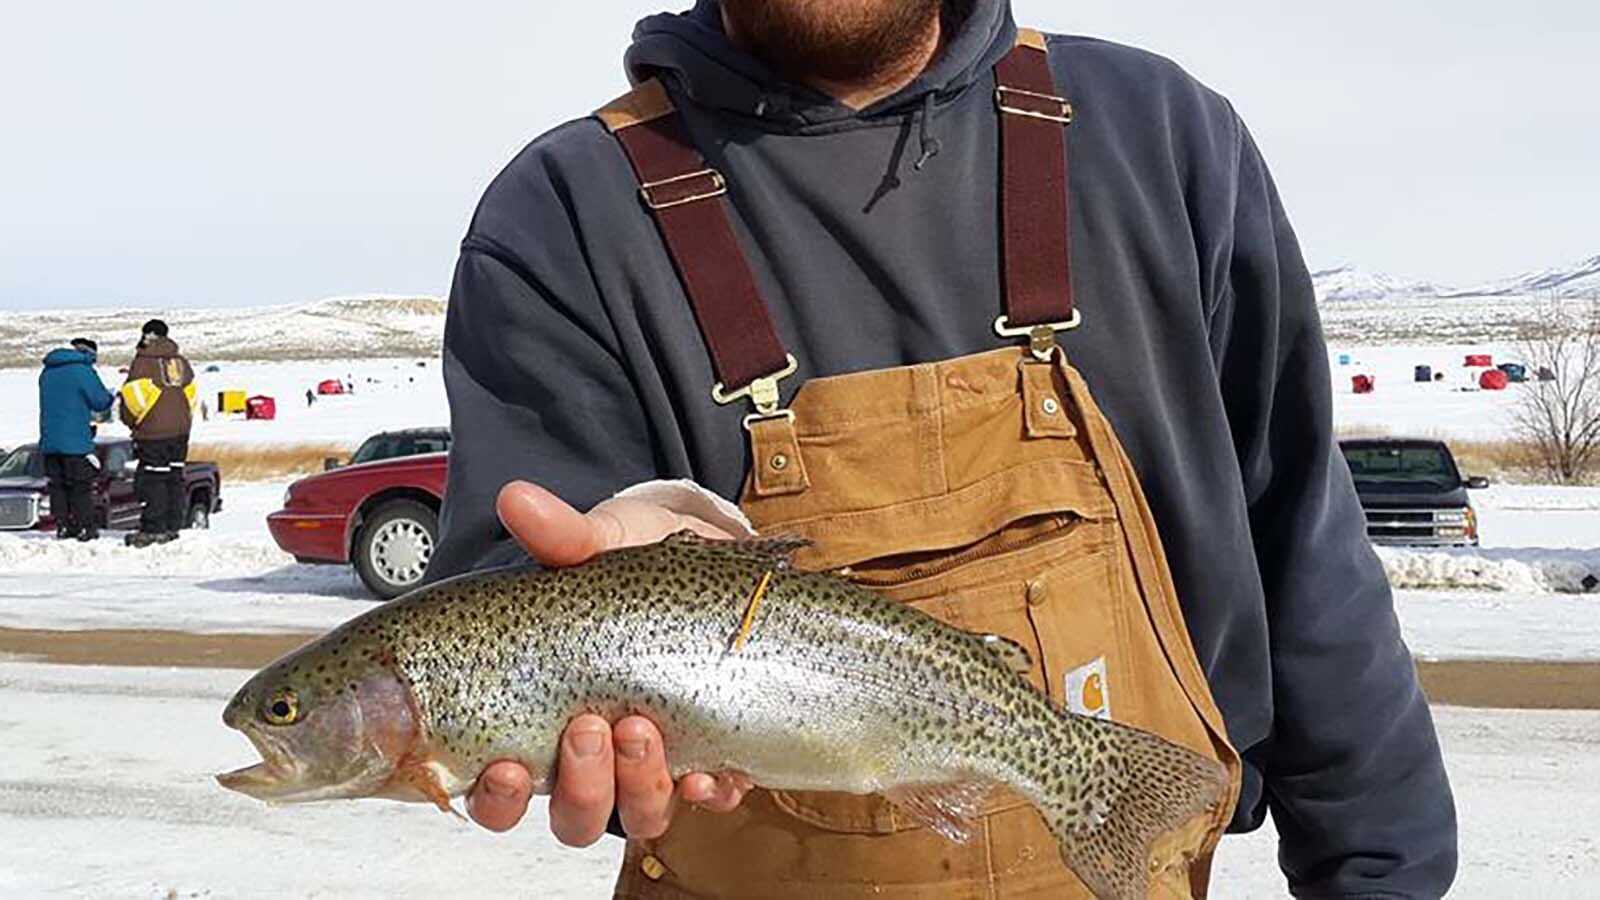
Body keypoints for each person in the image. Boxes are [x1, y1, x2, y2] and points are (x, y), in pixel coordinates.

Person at [426, 2, 1456, 897]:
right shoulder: (561, 216)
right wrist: (624, 575)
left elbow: (1303, 547)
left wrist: (1381, 875)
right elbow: (499, 609)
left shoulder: (1161, 137)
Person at [118, 319, 196, 547]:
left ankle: (154, 528)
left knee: (154, 479)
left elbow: (132, 398)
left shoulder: (143, 362)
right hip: (181, 429)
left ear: (146, 335)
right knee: (175, 476)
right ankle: (174, 524)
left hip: (153, 431)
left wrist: (133, 422)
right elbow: (191, 394)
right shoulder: (181, 362)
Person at [38, 337, 113, 541]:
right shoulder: (82, 371)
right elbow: (100, 401)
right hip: (75, 441)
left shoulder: (47, 371)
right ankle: (84, 527)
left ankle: (63, 526)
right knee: (80, 486)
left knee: (58, 485)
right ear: (89, 354)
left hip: (49, 441)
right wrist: (111, 397)